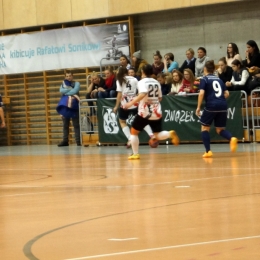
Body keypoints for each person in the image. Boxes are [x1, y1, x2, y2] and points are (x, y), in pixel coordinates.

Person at [123, 64, 179, 160]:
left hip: (145, 112)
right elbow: (160, 98)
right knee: (157, 134)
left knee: (133, 132)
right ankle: (170, 134)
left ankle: (135, 154)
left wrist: (130, 103)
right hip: (156, 111)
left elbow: (143, 94)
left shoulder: (141, 82)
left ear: (143, 72)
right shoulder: (156, 82)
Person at [196, 60, 238, 158]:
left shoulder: (204, 79)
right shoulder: (219, 79)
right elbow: (227, 94)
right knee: (219, 129)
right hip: (223, 105)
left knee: (204, 128)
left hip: (211, 105)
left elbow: (201, 93)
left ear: (205, 69)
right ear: (214, 69)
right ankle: (231, 138)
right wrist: (219, 99)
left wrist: (198, 107)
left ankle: (208, 151)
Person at [113, 67, 153, 148]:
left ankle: (130, 138)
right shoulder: (134, 79)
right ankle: (151, 135)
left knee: (122, 121)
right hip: (135, 102)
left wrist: (116, 106)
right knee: (141, 120)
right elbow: (140, 91)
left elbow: (119, 94)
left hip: (125, 104)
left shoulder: (119, 80)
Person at [57, 70, 81, 147]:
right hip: (65, 106)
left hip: (74, 106)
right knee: (65, 124)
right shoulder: (63, 83)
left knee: (76, 124)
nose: (68, 77)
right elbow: (61, 90)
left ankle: (78, 141)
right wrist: (70, 91)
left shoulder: (77, 83)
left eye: (70, 76)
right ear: (65, 77)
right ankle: (65, 141)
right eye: (67, 76)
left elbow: (75, 90)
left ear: (72, 76)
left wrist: (66, 92)